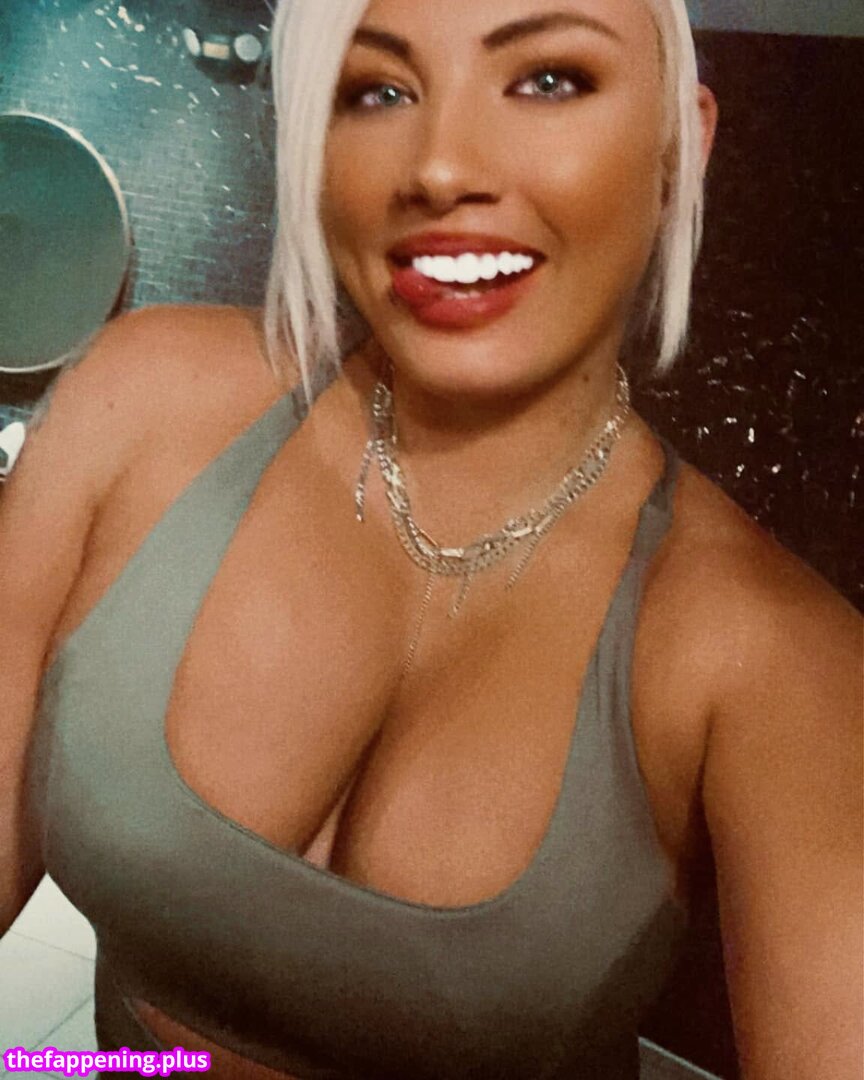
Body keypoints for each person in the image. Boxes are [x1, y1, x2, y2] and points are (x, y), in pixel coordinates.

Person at [1, 0, 861, 1077]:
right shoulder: (142, 406)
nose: (441, 167)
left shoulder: (773, 658)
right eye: (378, 91)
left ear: (677, 147)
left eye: (548, 80)